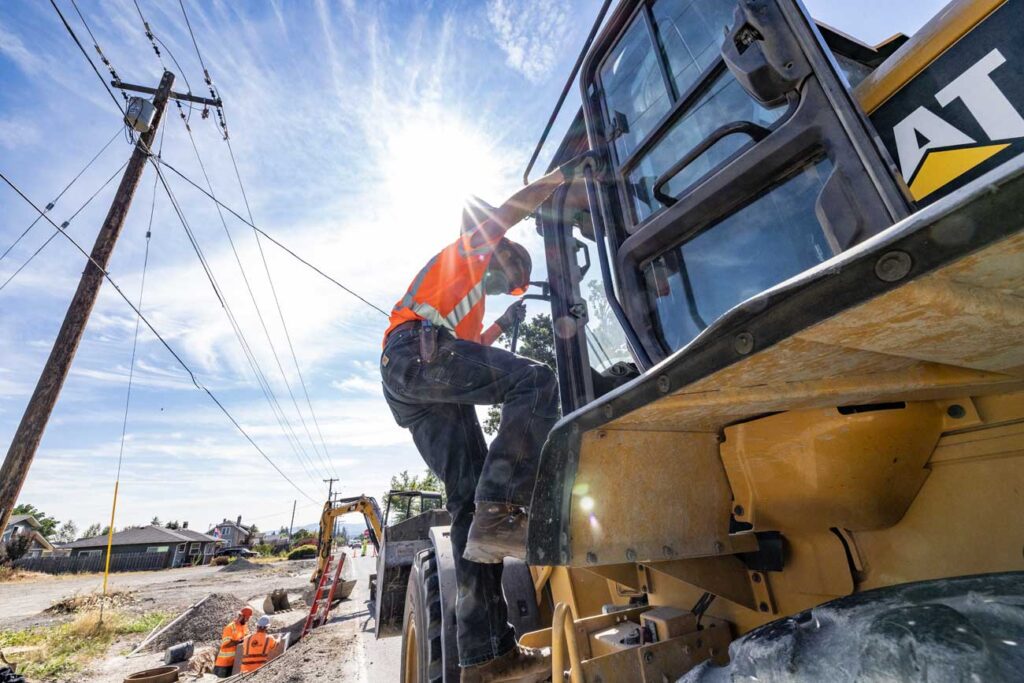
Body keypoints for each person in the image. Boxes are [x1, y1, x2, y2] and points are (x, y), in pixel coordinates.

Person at [380, 155, 592, 680]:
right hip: (415, 353)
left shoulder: (469, 307)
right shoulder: (472, 250)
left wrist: (501, 322)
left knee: (464, 507)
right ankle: (504, 507)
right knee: (539, 381)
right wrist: (562, 176)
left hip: (422, 380)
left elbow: (472, 358)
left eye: (517, 289)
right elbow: (512, 209)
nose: (510, 286)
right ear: (501, 255)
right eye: (513, 278)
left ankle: (486, 657)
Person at [213, 606, 252, 678]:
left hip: (234, 662)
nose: (247, 620)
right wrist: (238, 642)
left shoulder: (244, 626)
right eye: (247, 618)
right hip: (222, 664)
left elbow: (247, 637)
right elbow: (225, 645)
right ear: (241, 616)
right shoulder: (230, 627)